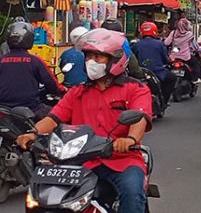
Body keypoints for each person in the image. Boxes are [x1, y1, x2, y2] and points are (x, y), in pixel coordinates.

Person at [17, 28, 153, 213]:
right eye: (89, 56)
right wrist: (32, 133)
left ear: (116, 60)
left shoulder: (135, 89)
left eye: (98, 57)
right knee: (43, 196)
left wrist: (129, 140)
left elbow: (140, 118)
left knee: (132, 192)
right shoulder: (77, 91)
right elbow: (54, 118)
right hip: (76, 162)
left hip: (121, 160)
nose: (91, 62)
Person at [0, 21, 63, 118]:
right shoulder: (35, 61)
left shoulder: (1, 60)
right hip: (31, 109)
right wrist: (63, 91)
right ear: (29, 39)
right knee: (57, 118)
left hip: (3, 110)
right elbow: (52, 84)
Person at [132, 22, 177, 104]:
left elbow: (133, 60)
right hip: (158, 73)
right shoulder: (159, 44)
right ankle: (164, 101)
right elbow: (165, 59)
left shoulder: (136, 45)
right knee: (172, 78)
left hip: (142, 74)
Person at [164, 17, 201, 83]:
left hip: (174, 57)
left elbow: (166, 43)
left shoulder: (173, 33)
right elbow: (195, 46)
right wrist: (200, 50)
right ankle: (195, 79)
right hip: (186, 58)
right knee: (196, 64)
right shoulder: (189, 35)